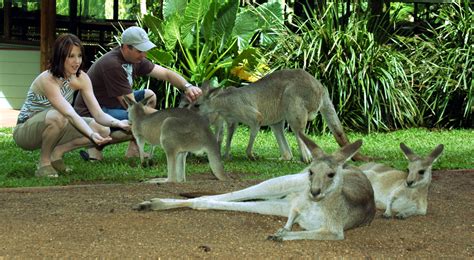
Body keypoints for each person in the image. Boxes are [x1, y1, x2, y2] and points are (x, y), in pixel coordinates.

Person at [74, 26, 202, 161]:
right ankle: (93, 145)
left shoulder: (134, 59)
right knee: (140, 121)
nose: (144, 55)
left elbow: (166, 73)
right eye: (139, 51)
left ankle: (133, 150)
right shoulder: (112, 65)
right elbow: (134, 108)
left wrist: (188, 86)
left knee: (149, 95)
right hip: (91, 114)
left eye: (144, 50)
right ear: (125, 47)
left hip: (110, 105)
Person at [13, 34, 130, 178]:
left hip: (58, 124)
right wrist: (90, 134)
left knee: (103, 129)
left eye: (79, 55)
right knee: (59, 116)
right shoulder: (47, 79)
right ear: (59, 57)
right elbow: (69, 113)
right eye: (71, 56)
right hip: (26, 131)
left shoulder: (82, 78)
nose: (77, 61)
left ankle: (56, 154)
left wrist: (119, 123)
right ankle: (44, 164)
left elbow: (98, 114)